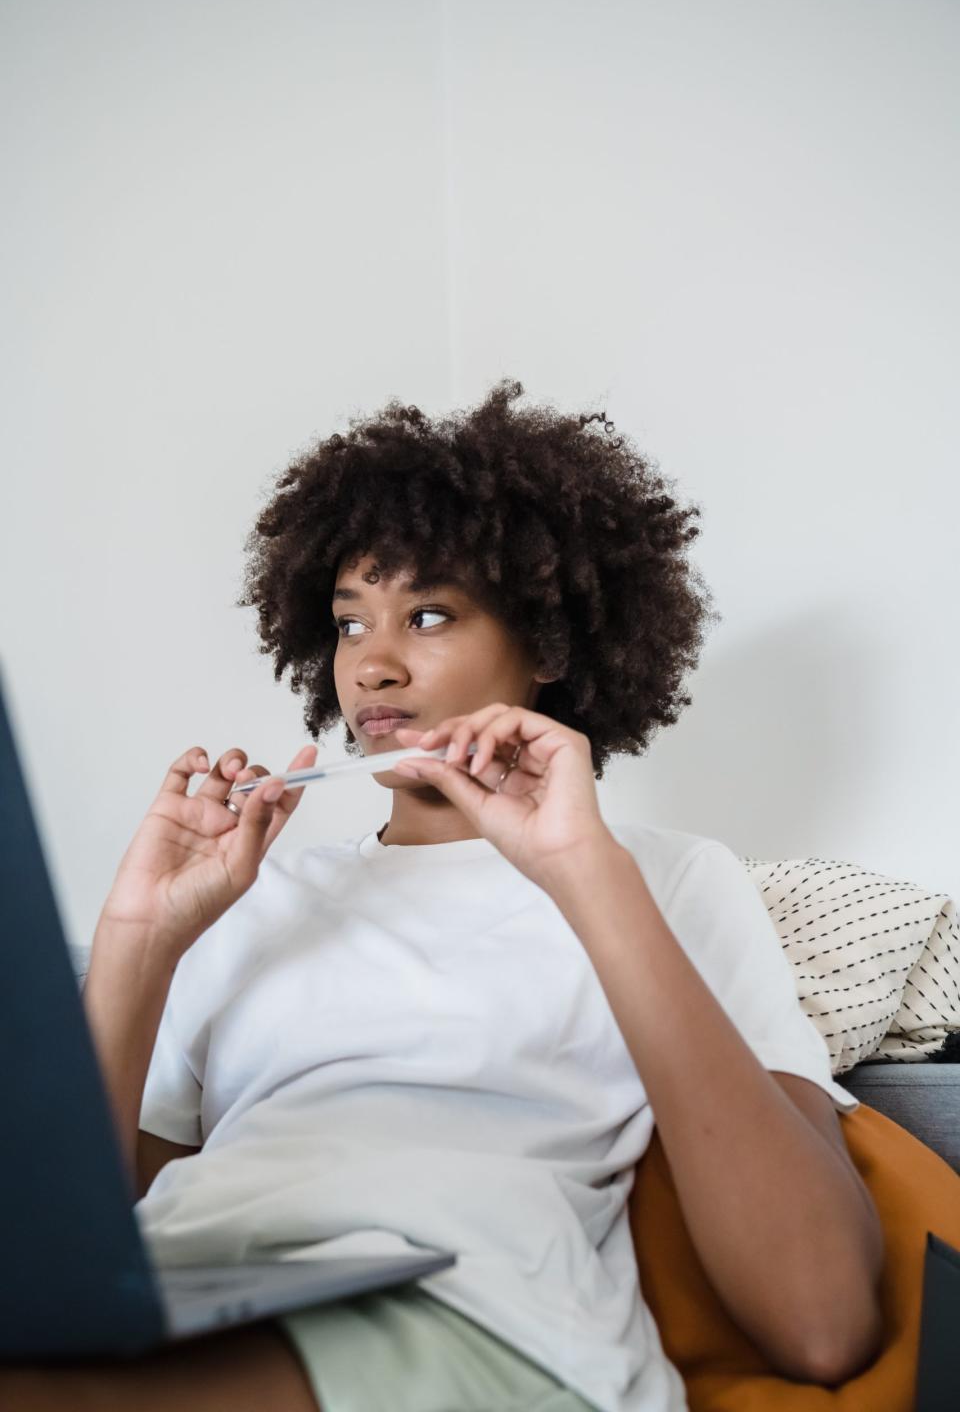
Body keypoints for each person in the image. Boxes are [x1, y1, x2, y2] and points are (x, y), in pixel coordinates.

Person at [2, 380, 882, 1411]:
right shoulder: (253, 890)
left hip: (467, 1312)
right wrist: (139, 942)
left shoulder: (668, 878)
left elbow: (822, 1320)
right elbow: (71, 1245)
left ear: (549, 646)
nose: (371, 665)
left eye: (427, 614)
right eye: (347, 622)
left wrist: (581, 870)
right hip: (200, 1290)